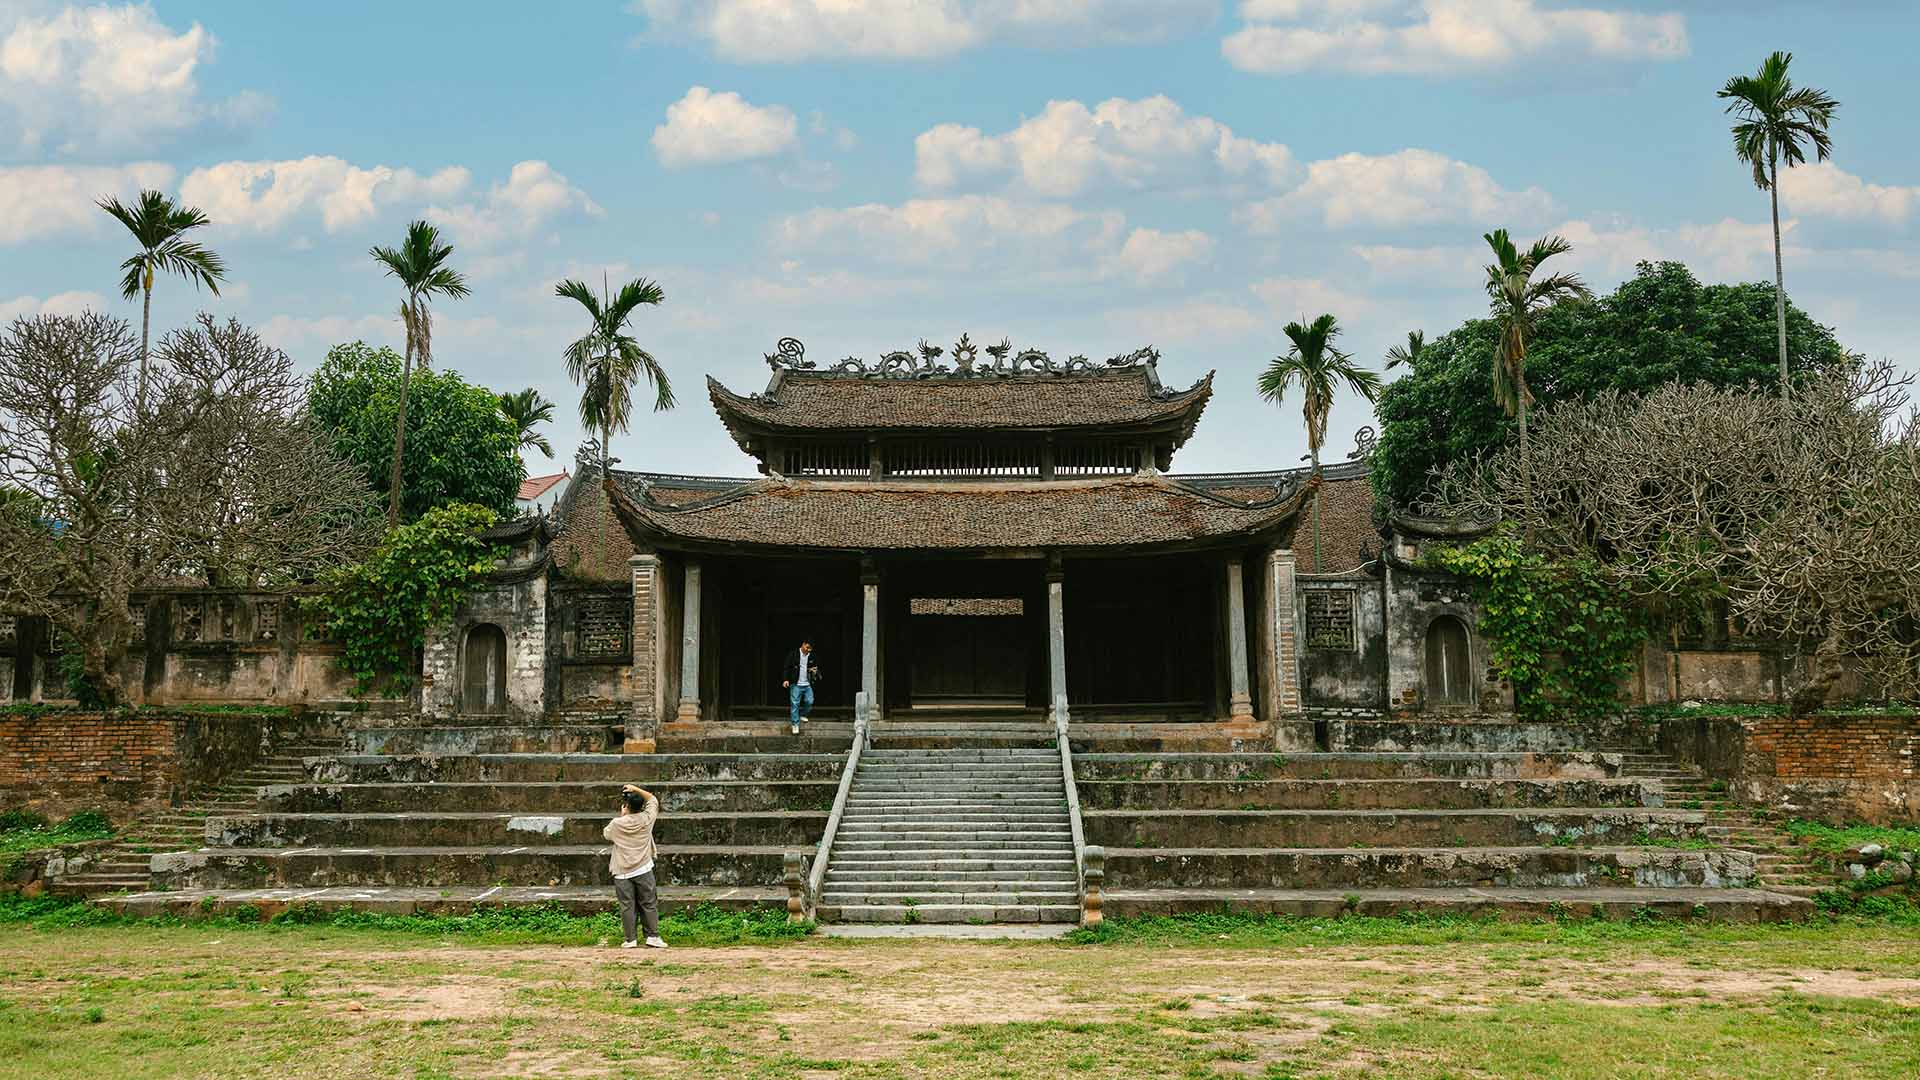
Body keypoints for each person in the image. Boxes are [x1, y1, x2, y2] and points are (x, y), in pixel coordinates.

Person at [605, 784, 665, 949]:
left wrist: (623, 816)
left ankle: (630, 939)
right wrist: (635, 789)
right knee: (649, 903)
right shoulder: (647, 819)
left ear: (626, 806)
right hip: (644, 867)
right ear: (641, 806)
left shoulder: (617, 823)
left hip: (622, 871)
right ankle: (652, 936)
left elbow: (607, 834)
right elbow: (652, 799)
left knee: (627, 906)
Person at [781, 639, 820, 736]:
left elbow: (815, 667)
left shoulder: (812, 656)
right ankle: (795, 724)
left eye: (810, 648)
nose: (808, 650)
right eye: (807, 647)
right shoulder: (793, 654)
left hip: (807, 683)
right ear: (803, 644)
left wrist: (814, 670)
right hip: (796, 683)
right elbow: (786, 667)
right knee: (795, 704)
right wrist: (785, 679)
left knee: (810, 701)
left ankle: (803, 714)